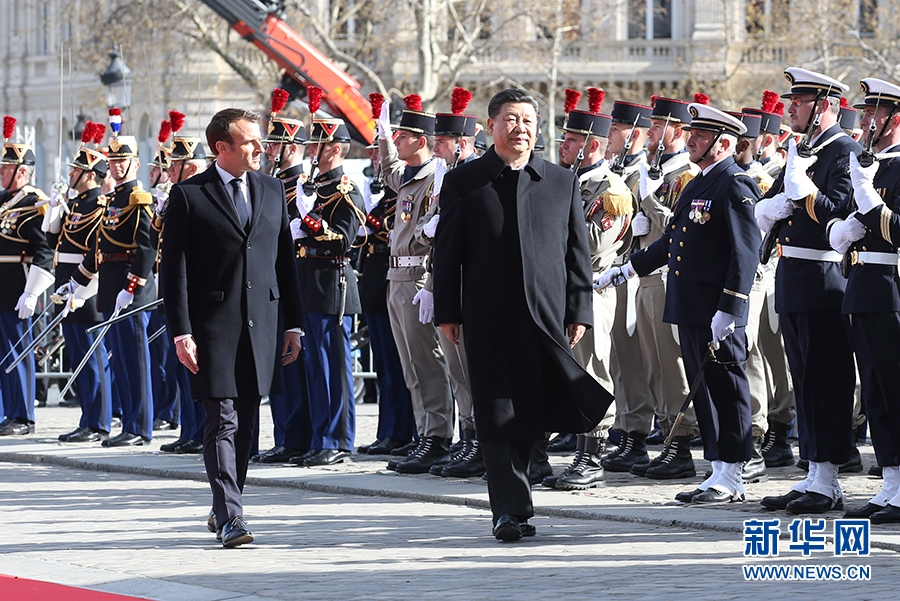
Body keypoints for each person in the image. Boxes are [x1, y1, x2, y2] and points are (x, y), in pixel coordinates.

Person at [433, 88, 612, 541]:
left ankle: (523, 486)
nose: (521, 128)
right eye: (510, 119)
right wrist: (447, 312)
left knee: (534, 410)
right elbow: (448, 254)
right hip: (487, 315)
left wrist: (580, 310)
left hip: (547, 316)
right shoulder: (465, 182)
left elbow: (578, 255)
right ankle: (509, 511)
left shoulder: (559, 181)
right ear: (491, 126)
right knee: (496, 411)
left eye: (529, 120)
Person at [597, 102, 761, 504]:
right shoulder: (700, 181)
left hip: (716, 306)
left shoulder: (735, 183)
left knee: (728, 386)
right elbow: (672, 242)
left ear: (723, 144)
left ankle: (734, 473)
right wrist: (627, 269)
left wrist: (732, 307)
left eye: (701, 137)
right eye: (692, 134)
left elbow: (745, 252)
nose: (691, 141)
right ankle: (718, 469)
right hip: (689, 302)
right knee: (704, 387)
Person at [160, 107, 304, 548]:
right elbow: (175, 270)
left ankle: (225, 501)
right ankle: (231, 517)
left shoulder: (272, 189)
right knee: (220, 418)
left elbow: (284, 263)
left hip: (262, 323)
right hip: (212, 326)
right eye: (249, 142)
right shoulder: (189, 195)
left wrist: (294, 325)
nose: (261, 148)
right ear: (222, 147)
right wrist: (181, 330)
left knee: (245, 422)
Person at [756, 68, 860, 514]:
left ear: (825, 107)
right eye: (792, 101)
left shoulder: (845, 151)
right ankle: (814, 472)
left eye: (799, 103)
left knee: (826, 381)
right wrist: (775, 202)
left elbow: (838, 209)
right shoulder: (803, 150)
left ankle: (829, 477)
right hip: (794, 279)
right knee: (804, 382)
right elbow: (773, 207)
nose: (790, 108)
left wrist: (801, 191)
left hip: (823, 280)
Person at [545, 89, 631, 491]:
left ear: (593, 146)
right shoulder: (565, 183)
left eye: (573, 140)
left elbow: (594, 244)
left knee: (591, 370)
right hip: (557, 290)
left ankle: (592, 452)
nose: (564, 145)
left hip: (590, 289)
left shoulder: (610, 192)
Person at [377, 94, 455, 474]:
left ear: (420, 141)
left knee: (427, 361)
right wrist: (381, 134)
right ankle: (425, 433)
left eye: (402, 136)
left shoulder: (434, 179)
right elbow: (389, 164)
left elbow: (434, 231)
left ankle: (438, 436)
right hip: (396, 275)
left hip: (418, 274)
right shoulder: (407, 178)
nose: (397, 140)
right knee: (410, 366)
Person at [834, 78, 900, 523]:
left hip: (892, 287)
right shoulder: (869, 162)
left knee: (896, 389)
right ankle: (891, 482)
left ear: (895, 119)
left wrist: (871, 201)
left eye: (875, 113)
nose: (866, 121)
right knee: (876, 391)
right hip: (863, 285)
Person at [69, 123, 156, 448]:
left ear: (134, 163)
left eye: (123, 161)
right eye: (113, 160)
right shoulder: (113, 199)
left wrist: (132, 286)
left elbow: (147, 248)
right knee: (120, 359)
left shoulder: (137, 198)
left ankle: (140, 427)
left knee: (135, 359)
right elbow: (99, 249)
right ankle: (129, 424)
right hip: (110, 287)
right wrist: (77, 282)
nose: (117, 165)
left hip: (129, 290)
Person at [629, 96, 699, 479]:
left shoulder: (685, 176)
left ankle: (681, 442)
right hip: (646, 278)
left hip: (669, 279)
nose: (650, 132)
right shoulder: (655, 172)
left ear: (677, 130)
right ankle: (666, 431)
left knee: (672, 365)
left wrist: (650, 200)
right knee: (653, 366)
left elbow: (681, 227)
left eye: (658, 126)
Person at [288, 116, 364, 466]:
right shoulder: (313, 189)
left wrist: (310, 222)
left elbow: (343, 239)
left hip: (332, 285)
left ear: (334, 149)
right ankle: (319, 436)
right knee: (314, 368)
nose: (311, 152)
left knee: (332, 367)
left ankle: (337, 440)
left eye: (317, 146)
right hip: (308, 282)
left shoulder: (345, 190)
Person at [415, 87, 483, 478]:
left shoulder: (475, 178)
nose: (435, 149)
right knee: (458, 370)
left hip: (470, 285)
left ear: (463, 143)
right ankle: (468, 440)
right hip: (445, 282)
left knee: (474, 368)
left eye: (442, 143)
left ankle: (482, 443)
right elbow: (430, 236)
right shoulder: (445, 177)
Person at [253, 93, 313, 464]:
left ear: (292, 147)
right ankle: (283, 434)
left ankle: (298, 435)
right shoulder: (269, 184)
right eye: (269, 143)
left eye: (276, 144)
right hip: (270, 285)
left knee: (297, 369)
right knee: (278, 370)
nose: (271, 150)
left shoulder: (299, 187)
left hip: (299, 283)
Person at [601, 100, 658, 473]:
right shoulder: (615, 173)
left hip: (640, 274)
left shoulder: (645, 176)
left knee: (638, 362)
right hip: (616, 273)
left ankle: (637, 433)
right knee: (619, 360)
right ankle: (624, 430)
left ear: (633, 134)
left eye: (613, 131)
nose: (606, 139)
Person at [50, 123, 113, 443]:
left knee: (93, 358)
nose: (71, 174)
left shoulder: (99, 206)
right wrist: (54, 207)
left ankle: (99, 421)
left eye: (76, 169)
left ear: (90, 174)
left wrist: (80, 287)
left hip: (87, 287)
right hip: (67, 284)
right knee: (77, 354)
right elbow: (53, 240)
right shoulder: (73, 204)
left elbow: (96, 252)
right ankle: (87, 418)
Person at [154, 112, 207, 455]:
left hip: (197, 289)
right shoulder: (177, 194)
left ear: (191, 166)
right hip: (176, 289)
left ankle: (201, 429)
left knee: (197, 362)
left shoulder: (199, 195)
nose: (168, 169)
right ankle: (190, 429)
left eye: (175, 163)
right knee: (182, 363)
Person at [0, 115, 54, 435]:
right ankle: (9, 412)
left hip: (17, 286)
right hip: (2, 285)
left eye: (6, 168)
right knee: (3, 352)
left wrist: (32, 291)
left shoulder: (35, 203)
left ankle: (23, 416)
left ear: (21, 172)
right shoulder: (5, 201)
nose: (1, 172)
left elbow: (44, 250)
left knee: (17, 352)